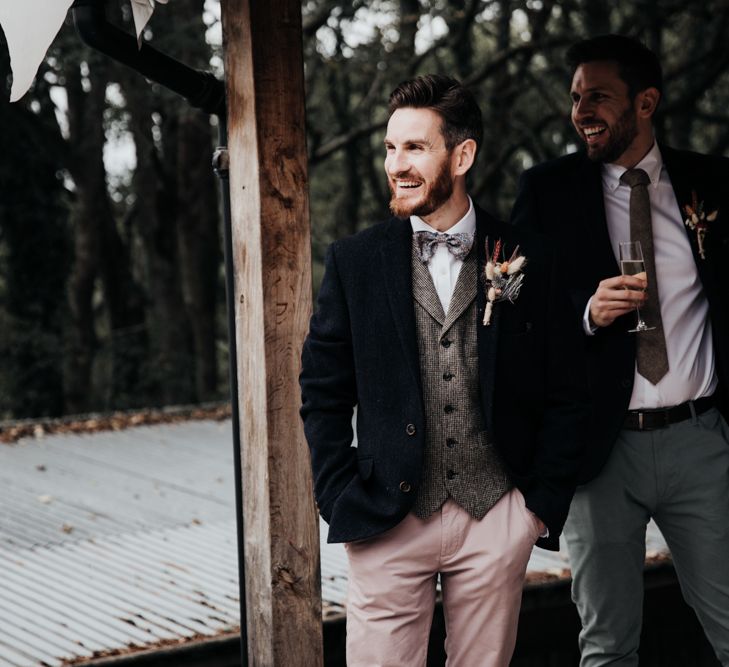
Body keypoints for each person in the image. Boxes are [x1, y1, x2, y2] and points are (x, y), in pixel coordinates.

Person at [300, 74, 588, 667]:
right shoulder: (355, 262)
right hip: (386, 520)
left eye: (414, 148)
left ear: (462, 155)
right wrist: (337, 495)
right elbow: (322, 391)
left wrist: (535, 508)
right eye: (389, 148)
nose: (396, 165)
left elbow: (568, 386)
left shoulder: (530, 254)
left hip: (495, 517)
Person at [511, 34, 729, 666]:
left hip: (700, 441)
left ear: (645, 102)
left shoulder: (711, 185)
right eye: (576, 97)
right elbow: (514, 315)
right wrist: (584, 311)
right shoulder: (547, 192)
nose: (581, 111)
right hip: (600, 454)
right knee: (607, 646)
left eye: (599, 96)